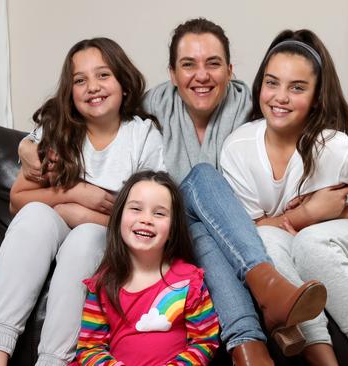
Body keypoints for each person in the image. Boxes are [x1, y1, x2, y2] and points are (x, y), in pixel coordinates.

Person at [20, 19, 328, 365]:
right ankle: (266, 287)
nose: (201, 75)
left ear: (230, 70)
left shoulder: (255, 104)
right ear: (171, 73)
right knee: (199, 182)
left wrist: (299, 211)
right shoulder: (150, 109)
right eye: (188, 65)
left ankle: (249, 347)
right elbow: (86, 116)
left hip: (230, 242)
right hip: (170, 240)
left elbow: (329, 125)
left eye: (213, 63)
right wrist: (28, 143)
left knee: (200, 211)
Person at [220, 29, 348, 365]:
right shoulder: (238, 148)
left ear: (315, 97)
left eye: (297, 87)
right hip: (293, 234)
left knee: (310, 243)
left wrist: (332, 215)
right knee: (264, 238)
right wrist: (305, 216)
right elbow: (253, 225)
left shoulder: (334, 146)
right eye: (272, 83)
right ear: (259, 87)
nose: (280, 96)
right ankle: (322, 359)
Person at [0, 38, 165, 366]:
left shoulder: (143, 136)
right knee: (35, 213)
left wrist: (79, 215)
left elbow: (148, 220)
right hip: (50, 229)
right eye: (80, 80)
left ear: (123, 83)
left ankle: (53, 362)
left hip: (104, 239)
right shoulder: (58, 131)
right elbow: (18, 200)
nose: (92, 87)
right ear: (70, 92)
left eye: (103, 75)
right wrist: (76, 194)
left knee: (85, 236)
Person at [73, 170, 220, 365]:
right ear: (119, 218)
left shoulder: (189, 282)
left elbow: (205, 341)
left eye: (159, 213)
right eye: (136, 209)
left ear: (172, 229)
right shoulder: (103, 284)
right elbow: (90, 347)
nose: (146, 219)